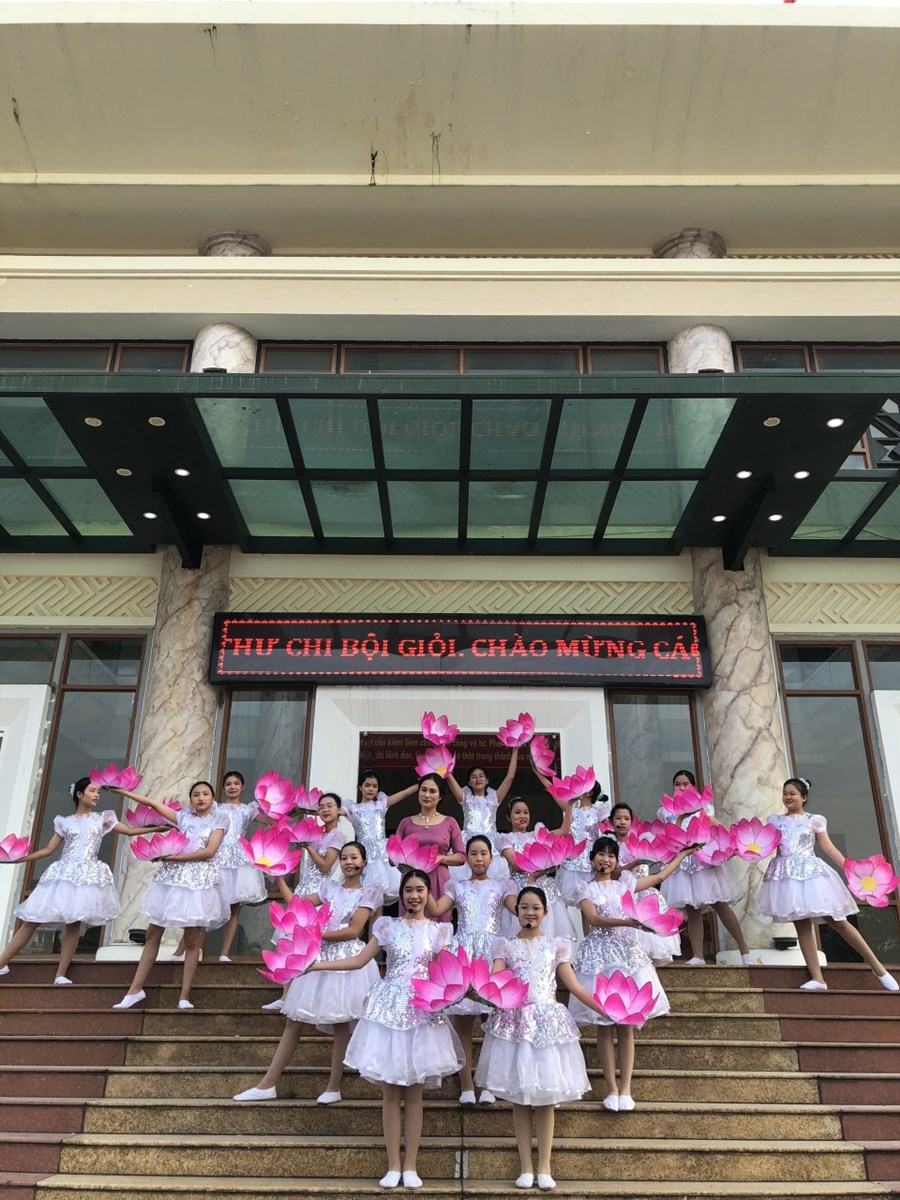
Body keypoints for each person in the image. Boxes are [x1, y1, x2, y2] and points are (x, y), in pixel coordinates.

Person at [306, 869, 464, 1189]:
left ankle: (411, 1165)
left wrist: (464, 989)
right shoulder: (387, 927)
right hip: (389, 1010)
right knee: (390, 1092)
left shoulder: (440, 931)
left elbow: (449, 972)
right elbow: (359, 960)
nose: (414, 896)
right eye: (409, 890)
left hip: (422, 1010)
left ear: (428, 895)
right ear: (401, 895)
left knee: (415, 1093)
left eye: (420, 890)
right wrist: (316, 964)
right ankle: (393, 1165)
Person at [474, 885, 609, 1192]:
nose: (530, 912)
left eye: (535, 907)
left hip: (547, 1024)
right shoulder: (505, 946)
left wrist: (607, 1008)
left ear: (545, 912)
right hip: (515, 1024)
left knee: (546, 1099)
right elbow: (494, 981)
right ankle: (525, 1166)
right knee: (519, 1099)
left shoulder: (556, 946)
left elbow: (574, 985)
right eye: (524, 907)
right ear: (517, 911)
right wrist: (479, 989)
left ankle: (544, 1166)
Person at [233, 841, 382, 1104]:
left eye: (353, 858)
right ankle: (268, 1084)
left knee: (341, 1023)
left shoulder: (369, 893)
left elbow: (354, 931)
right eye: (344, 858)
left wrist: (313, 933)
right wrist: (278, 877)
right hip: (317, 955)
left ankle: (333, 1087)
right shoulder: (329, 888)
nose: (348, 862)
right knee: (294, 1020)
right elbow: (296, 905)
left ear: (364, 862)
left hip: (346, 959)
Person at [568, 835, 698, 1111]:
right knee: (604, 1026)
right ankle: (611, 1089)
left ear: (617, 860)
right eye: (601, 854)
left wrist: (683, 855)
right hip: (598, 958)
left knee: (626, 1024)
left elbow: (659, 876)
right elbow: (593, 919)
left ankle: (626, 1089)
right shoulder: (584, 889)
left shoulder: (625, 884)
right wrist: (629, 921)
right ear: (592, 858)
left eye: (611, 855)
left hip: (627, 956)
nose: (605, 859)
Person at [757, 776, 899, 992]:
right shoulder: (775, 821)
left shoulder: (815, 820)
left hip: (812, 876)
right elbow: (765, 844)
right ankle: (818, 978)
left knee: (838, 921)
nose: (787, 797)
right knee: (801, 926)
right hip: (786, 877)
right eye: (785, 793)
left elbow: (828, 848)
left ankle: (878, 968)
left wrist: (852, 870)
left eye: (792, 793)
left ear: (804, 797)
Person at [0, 776, 144, 985]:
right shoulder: (65, 822)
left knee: (74, 924)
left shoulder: (102, 818)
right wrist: (16, 859)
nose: (96, 795)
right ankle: (2, 962)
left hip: (86, 875)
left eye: (98, 792)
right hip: (62, 874)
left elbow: (129, 831)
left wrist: (157, 828)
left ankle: (60, 974)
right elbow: (47, 851)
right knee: (31, 921)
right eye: (92, 791)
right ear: (79, 794)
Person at [110, 781, 230, 1010]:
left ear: (213, 798)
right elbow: (153, 804)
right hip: (171, 879)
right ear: (191, 799)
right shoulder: (183, 817)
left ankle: (184, 996)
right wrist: (122, 791)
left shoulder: (220, 819)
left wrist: (175, 858)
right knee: (152, 933)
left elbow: (209, 851)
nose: (201, 798)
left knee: (192, 939)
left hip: (197, 882)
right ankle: (135, 989)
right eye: (196, 794)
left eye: (205, 794)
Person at [424, 834, 513, 1104]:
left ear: (491, 858)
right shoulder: (457, 886)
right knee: (463, 1022)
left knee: (492, 1022)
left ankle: (488, 1084)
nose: (478, 858)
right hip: (464, 955)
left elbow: (518, 909)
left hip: (491, 956)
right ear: (467, 859)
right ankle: (466, 1086)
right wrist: (421, 876)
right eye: (473, 853)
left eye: (483, 853)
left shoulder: (502, 886)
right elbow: (436, 909)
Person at [658, 769, 752, 966]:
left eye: (686, 784)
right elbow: (670, 836)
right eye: (677, 784)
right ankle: (698, 956)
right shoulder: (666, 810)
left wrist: (732, 845)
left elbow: (719, 827)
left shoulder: (703, 808)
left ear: (693, 787)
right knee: (692, 909)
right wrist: (680, 816)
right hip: (682, 866)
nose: (681, 788)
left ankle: (745, 951)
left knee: (720, 905)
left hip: (704, 863)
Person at [611, 802, 680, 966]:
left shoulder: (642, 842)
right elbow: (612, 874)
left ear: (631, 822)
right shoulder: (610, 848)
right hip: (624, 899)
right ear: (611, 821)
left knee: (650, 948)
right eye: (618, 818)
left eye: (626, 818)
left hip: (647, 897)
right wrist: (636, 862)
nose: (622, 822)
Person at [497, 796, 573, 939]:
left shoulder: (537, 835)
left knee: (547, 934)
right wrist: (544, 865)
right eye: (517, 812)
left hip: (544, 889)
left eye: (525, 812)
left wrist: (569, 804)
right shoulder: (505, 839)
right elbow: (516, 864)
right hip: (520, 891)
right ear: (508, 817)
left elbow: (564, 830)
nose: (522, 816)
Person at [216, 770, 269, 962]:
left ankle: (224, 953)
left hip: (239, 860)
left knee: (234, 908)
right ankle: (184, 950)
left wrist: (277, 807)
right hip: (217, 857)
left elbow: (272, 821)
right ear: (223, 788)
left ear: (243, 787)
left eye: (236, 783)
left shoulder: (248, 810)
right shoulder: (216, 808)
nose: (232, 787)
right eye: (228, 784)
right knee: (206, 903)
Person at [394, 774, 465, 919]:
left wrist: (440, 858)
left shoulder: (450, 822)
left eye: (432, 791)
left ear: (440, 796)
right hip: (411, 879)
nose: (427, 795)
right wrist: (406, 860)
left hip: (438, 877)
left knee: (439, 925)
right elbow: (393, 856)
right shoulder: (405, 822)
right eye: (423, 790)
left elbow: (462, 856)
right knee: (409, 926)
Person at [343, 770, 417, 905]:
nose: (371, 789)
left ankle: (377, 920)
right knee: (362, 895)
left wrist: (423, 782)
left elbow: (405, 793)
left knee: (380, 892)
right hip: (363, 854)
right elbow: (332, 811)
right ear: (360, 787)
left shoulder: (381, 804)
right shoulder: (352, 808)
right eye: (367, 785)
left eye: (374, 786)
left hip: (382, 854)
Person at [446, 752, 519, 879]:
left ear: (487, 781)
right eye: (473, 777)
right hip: (468, 843)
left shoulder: (494, 799)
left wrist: (515, 750)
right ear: (469, 783)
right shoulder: (465, 799)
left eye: (481, 776)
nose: (478, 779)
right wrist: (443, 752)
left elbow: (510, 777)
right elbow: (449, 776)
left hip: (490, 844)